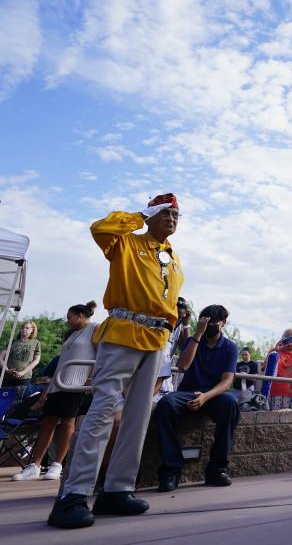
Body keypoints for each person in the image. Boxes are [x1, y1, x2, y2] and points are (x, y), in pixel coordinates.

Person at [47, 194, 184, 530]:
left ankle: (117, 489)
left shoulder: (173, 256)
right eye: (165, 213)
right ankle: (73, 494)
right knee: (104, 409)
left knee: (138, 416)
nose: (172, 219)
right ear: (152, 214)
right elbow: (100, 228)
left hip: (157, 339)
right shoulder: (126, 242)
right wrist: (140, 215)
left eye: (177, 215)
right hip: (124, 332)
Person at [153, 305, 239, 491]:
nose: (209, 326)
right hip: (188, 393)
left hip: (214, 395)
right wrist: (197, 335)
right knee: (165, 405)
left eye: (213, 323)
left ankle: (217, 469)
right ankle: (171, 471)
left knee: (230, 403)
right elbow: (183, 366)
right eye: (206, 322)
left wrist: (206, 397)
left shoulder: (230, 347)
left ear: (223, 324)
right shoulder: (193, 341)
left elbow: (227, 382)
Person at [11, 302, 97, 481]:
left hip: (77, 383)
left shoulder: (95, 329)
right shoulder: (71, 334)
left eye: (70, 317)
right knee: (48, 421)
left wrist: (90, 378)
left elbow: (100, 354)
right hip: (59, 383)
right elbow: (62, 362)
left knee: (67, 421)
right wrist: (46, 391)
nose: (68, 321)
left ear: (80, 315)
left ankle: (57, 464)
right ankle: (34, 465)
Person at [154, 298, 192, 399]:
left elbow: (187, 347)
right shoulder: (160, 322)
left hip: (163, 376)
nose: (177, 318)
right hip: (151, 371)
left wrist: (186, 324)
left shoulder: (179, 326)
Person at [1, 320, 41, 388]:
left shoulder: (36, 343)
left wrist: (23, 372)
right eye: (22, 327)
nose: (24, 329)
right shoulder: (12, 341)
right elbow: (1, 358)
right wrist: (7, 370)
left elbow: (36, 360)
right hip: (8, 378)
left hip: (24, 379)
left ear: (32, 330)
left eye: (27, 328)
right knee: (5, 398)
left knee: (19, 398)